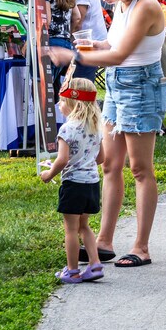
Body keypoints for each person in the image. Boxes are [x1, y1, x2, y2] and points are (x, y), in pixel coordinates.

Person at [48, 0, 166, 268]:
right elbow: (115, 47)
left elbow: (121, 55)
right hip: (117, 86)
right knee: (111, 166)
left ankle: (141, 247)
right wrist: (95, 46)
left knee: (141, 169)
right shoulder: (123, 4)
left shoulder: (147, 6)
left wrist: (72, 54)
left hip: (141, 87)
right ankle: (104, 241)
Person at [39, 77, 105, 283]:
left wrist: (49, 175)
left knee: (71, 229)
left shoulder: (67, 129)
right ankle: (95, 264)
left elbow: (62, 159)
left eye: (61, 101)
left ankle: (72, 270)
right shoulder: (95, 128)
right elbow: (101, 158)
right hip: (92, 184)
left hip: (73, 185)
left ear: (72, 103)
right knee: (85, 226)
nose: (59, 105)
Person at [58, 0, 108, 82]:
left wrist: (66, 41)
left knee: (81, 82)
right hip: (89, 42)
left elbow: (78, 21)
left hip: (90, 44)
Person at [42, 0, 81, 89]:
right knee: (58, 87)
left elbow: (45, 19)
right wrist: (67, 35)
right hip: (65, 43)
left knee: (43, 89)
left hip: (49, 41)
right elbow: (77, 16)